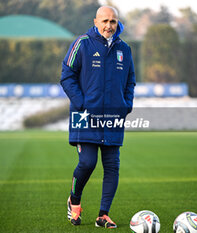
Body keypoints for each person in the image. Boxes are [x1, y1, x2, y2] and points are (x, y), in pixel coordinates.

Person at [60, 5, 135, 229]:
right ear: (95, 22)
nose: (108, 26)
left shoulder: (125, 49)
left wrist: (126, 105)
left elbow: (130, 80)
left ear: (117, 23)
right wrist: (82, 104)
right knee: (87, 162)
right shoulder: (82, 43)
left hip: (113, 117)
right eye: (104, 21)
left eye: (113, 22)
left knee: (112, 167)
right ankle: (74, 202)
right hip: (85, 116)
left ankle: (103, 215)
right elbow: (66, 75)